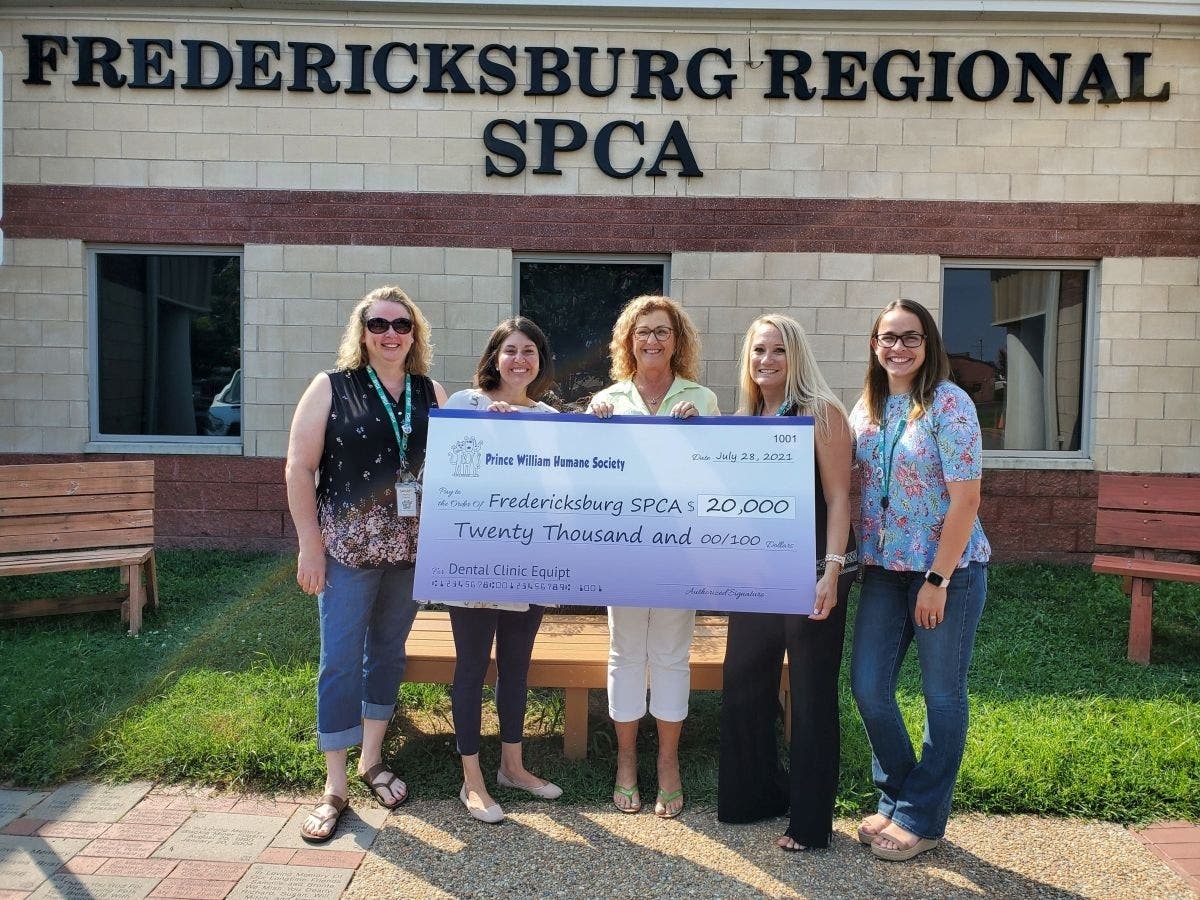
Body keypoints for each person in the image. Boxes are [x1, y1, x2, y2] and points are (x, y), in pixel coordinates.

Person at [285, 285, 448, 843]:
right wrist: (310, 545)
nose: (390, 334)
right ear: (362, 332)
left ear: (414, 334)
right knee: (339, 660)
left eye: (402, 325)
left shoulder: (431, 392)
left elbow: (467, 458)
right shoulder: (332, 387)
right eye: (378, 324)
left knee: (387, 653)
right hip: (348, 554)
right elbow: (299, 468)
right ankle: (334, 786)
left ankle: (371, 760)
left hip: (411, 555)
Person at [848, 298, 991, 862]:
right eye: (888, 337)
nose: (898, 348)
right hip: (884, 572)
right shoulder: (867, 410)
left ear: (927, 346)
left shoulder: (949, 405)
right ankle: (902, 795)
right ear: (874, 345)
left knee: (941, 696)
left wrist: (938, 578)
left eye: (911, 338)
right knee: (868, 687)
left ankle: (922, 818)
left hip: (945, 573)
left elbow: (967, 499)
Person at [717, 314, 858, 852]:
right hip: (754, 574)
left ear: (795, 356)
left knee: (811, 692)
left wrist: (831, 571)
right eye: (758, 351)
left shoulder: (821, 413)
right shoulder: (746, 416)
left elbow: (840, 497)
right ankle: (754, 797)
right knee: (744, 681)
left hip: (811, 573)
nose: (767, 361)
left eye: (777, 351)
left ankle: (810, 822)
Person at [588, 294, 720, 818]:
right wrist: (590, 425)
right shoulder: (608, 399)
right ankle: (625, 762)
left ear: (677, 340)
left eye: (662, 331)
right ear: (628, 341)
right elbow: (586, 478)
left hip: (680, 553)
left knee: (670, 653)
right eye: (642, 332)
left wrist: (702, 432)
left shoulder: (702, 398)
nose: (652, 340)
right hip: (621, 553)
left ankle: (667, 763)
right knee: (625, 653)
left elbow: (717, 475)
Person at [441, 317, 563, 824]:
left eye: (529, 351)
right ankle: (472, 780)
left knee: (517, 664)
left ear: (540, 361)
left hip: (528, 559)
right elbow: (448, 474)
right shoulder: (464, 406)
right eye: (510, 350)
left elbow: (560, 487)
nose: (519, 360)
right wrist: (485, 430)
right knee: (471, 666)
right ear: (494, 356)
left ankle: (513, 766)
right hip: (473, 559)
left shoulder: (551, 416)